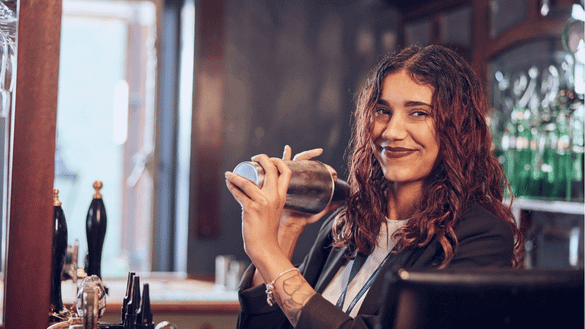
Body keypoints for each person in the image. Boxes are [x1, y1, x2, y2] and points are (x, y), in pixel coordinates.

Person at [224, 44, 524, 329]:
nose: (391, 131)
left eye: (418, 113)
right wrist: (285, 231)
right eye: (383, 111)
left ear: (458, 128)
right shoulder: (345, 225)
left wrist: (264, 250)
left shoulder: (482, 237)